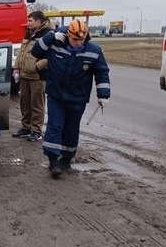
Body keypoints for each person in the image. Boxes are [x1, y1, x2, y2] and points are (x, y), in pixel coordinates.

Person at [31, 19, 111, 177]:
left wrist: (103, 95)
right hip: (56, 96)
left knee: (71, 129)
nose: (78, 43)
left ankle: (66, 160)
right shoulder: (55, 44)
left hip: (78, 98)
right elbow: (35, 52)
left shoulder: (94, 50)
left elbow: (102, 72)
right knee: (55, 126)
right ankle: (53, 161)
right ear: (68, 35)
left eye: (81, 39)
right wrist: (50, 37)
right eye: (75, 39)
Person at [12, 11, 55, 142]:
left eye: (30, 21)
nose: (28, 23)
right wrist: (16, 67)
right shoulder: (28, 33)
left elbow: (51, 56)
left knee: (36, 104)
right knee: (24, 103)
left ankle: (36, 130)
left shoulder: (48, 35)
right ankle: (25, 128)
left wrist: (37, 66)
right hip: (24, 75)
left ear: (38, 21)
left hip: (37, 76)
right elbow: (21, 51)